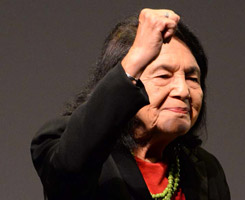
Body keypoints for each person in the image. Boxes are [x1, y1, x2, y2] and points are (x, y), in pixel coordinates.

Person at [31, 8, 230, 200]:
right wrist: (136, 58)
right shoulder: (68, 144)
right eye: (163, 75)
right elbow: (68, 172)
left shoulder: (205, 169)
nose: (183, 91)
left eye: (192, 78)